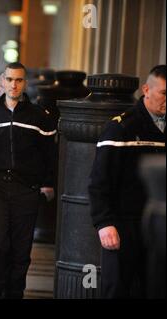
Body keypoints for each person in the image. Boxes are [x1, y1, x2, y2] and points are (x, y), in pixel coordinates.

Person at [89, 64, 166, 298]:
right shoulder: (121, 127)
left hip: (158, 226)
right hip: (123, 224)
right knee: (117, 289)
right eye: (164, 93)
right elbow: (99, 180)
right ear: (146, 90)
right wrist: (104, 223)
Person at [0, 62, 56, 299]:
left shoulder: (39, 117)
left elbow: (50, 155)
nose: (14, 84)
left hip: (27, 190)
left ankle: (14, 295)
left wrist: (48, 183)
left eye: (19, 80)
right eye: (10, 79)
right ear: (2, 81)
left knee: (21, 250)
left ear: (25, 83)